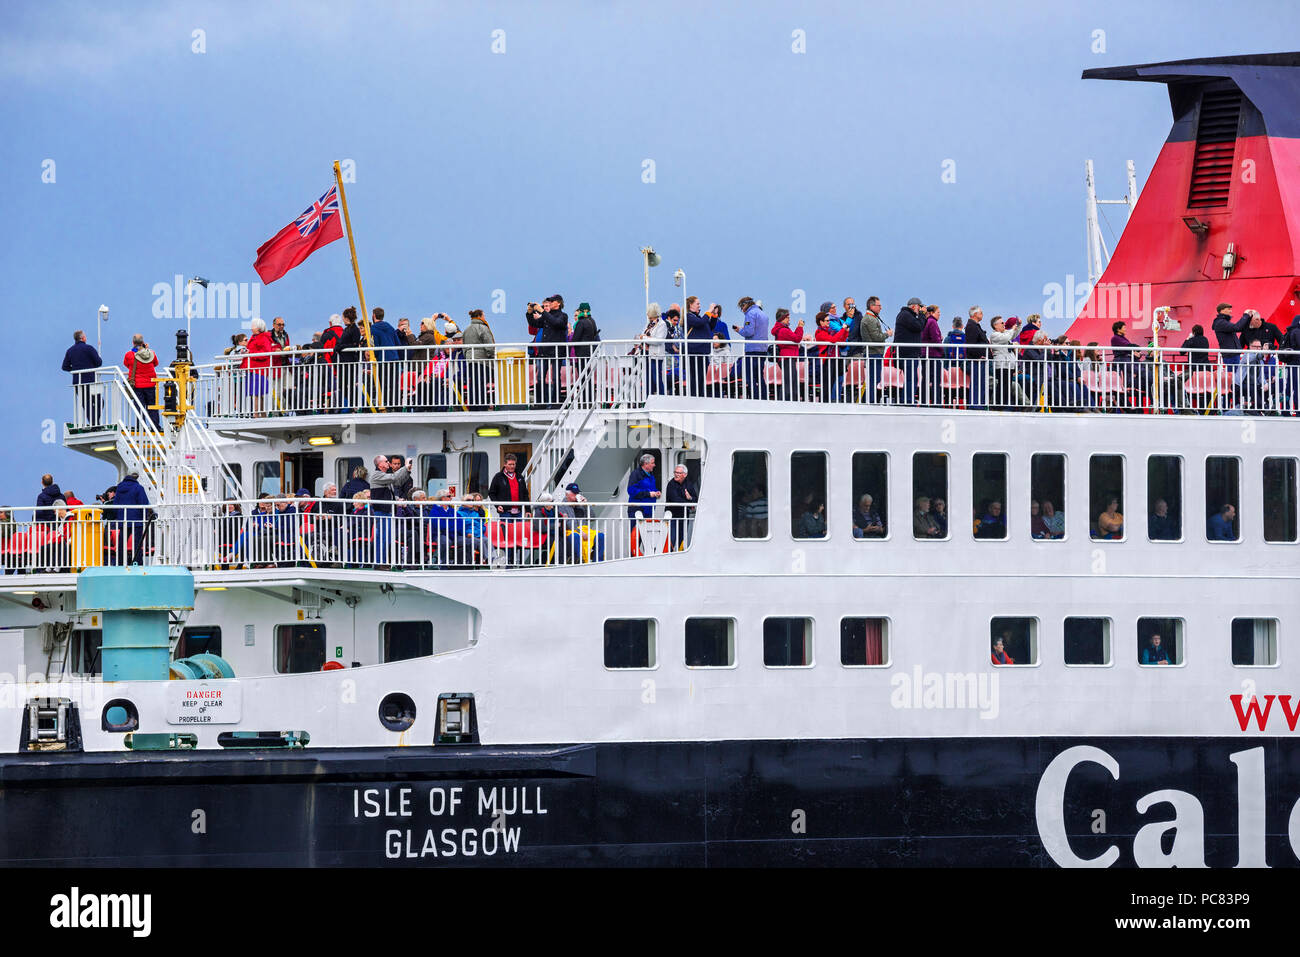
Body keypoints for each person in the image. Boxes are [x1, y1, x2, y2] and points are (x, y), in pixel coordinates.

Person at [369, 452, 413, 567]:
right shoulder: (376, 475)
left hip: (387, 511)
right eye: (386, 461)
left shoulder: (384, 476)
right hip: (381, 511)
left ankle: (382, 562)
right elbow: (394, 477)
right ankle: (380, 563)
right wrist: (405, 466)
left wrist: (407, 471)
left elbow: (397, 481)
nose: (388, 463)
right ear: (380, 464)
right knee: (382, 538)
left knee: (386, 538)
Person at [63, 330, 103, 426]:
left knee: (87, 404)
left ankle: (94, 423)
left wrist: (75, 370)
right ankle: (95, 423)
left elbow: (65, 367)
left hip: (78, 382)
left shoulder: (70, 351)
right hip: (91, 381)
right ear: (82, 338)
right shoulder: (89, 348)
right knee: (99, 402)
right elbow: (99, 362)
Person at [242, 318, 280, 417]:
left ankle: (256, 414)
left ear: (258, 327)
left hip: (259, 369)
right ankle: (261, 414)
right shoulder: (256, 337)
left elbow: (266, 353)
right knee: (256, 393)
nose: (251, 328)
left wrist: (250, 353)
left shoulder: (263, 338)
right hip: (254, 368)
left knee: (256, 393)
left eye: (253, 326)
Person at [734, 297, 770, 399]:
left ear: (745, 305)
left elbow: (749, 332)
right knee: (759, 376)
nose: (742, 310)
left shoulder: (750, 314)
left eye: (741, 307)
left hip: (752, 349)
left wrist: (739, 330)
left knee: (750, 376)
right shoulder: (763, 314)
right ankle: (764, 397)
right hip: (763, 349)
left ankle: (754, 398)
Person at [112, 471, 150, 566]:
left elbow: (115, 504)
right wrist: (145, 517)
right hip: (136, 520)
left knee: (122, 542)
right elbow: (143, 503)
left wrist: (118, 516)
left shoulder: (119, 488)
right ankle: (137, 562)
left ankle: (120, 562)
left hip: (123, 519)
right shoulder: (138, 488)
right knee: (137, 543)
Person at [123, 334, 161, 428]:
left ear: (133, 342)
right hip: (150, 384)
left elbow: (126, 364)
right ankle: (155, 426)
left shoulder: (129, 354)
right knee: (152, 406)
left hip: (137, 385)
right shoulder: (151, 353)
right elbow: (156, 363)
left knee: (139, 407)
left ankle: (141, 427)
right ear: (143, 342)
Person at [892, 297, 925, 403]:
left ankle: (907, 399)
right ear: (914, 306)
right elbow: (918, 326)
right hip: (908, 353)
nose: (920, 309)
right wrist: (922, 315)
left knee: (912, 378)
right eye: (919, 307)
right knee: (911, 379)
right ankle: (907, 400)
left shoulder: (907, 315)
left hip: (909, 353)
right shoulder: (906, 315)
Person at [461, 309, 496, 408]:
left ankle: (473, 405)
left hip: (470, 360)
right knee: (481, 384)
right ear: (480, 316)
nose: (485, 318)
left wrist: (467, 356)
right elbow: (489, 345)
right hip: (482, 361)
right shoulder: (483, 328)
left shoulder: (466, 329)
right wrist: (491, 355)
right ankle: (482, 405)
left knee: (473, 384)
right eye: (484, 316)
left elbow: (464, 346)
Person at [812, 310, 848, 402]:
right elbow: (833, 340)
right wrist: (843, 329)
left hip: (834, 359)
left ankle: (827, 402)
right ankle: (823, 403)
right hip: (826, 360)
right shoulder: (820, 332)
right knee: (826, 383)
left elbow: (840, 340)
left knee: (831, 382)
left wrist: (846, 332)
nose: (829, 322)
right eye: (827, 320)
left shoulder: (829, 331)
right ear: (821, 322)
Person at [771, 309, 805, 400]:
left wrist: (798, 328)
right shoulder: (783, 330)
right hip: (787, 358)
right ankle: (786, 401)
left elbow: (794, 337)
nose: (789, 319)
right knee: (789, 382)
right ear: (782, 318)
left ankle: (789, 400)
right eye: (787, 318)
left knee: (791, 380)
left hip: (787, 358)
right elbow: (797, 338)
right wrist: (800, 327)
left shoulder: (782, 329)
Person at [664, 463, 697, 551]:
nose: (676, 474)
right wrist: (689, 503)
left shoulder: (688, 484)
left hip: (683, 516)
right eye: (675, 472)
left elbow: (695, 498)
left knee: (682, 538)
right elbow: (675, 499)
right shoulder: (671, 484)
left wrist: (690, 498)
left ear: (685, 475)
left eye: (679, 473)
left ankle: (679, 557)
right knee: (672, 538)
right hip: (672, 516)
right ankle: (668, 556)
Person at [487, 453, 530, 521]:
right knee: (507, 531)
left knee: (518, 531)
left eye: (514, 464)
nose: (512, 466)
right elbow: (491, 493)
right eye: (510, 464)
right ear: (505, 464)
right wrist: (497, 505)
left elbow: (525, 494)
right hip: (505, 512)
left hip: (519, 512)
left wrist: (528, 510)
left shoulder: (520, 477)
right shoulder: (498, 477)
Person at [963, 306, 989, 409]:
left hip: (979, 359)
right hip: (977, 360)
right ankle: (976, 405)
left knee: (980, 383)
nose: (982, 314)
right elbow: (971, 344)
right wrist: (979, 355)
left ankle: (979, 404)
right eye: (980, 312)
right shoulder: (972, 326)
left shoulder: (975, 325)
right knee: (977, 383)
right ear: (975, 314)